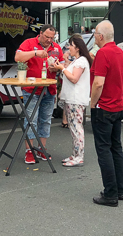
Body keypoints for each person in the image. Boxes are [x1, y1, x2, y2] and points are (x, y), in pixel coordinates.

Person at [89, 20, 123, 207]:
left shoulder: (103, 53)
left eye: (95, 33)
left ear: (101, 36)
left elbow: (98, 83)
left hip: (104, 107)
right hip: (119, 105)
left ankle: (110, 193)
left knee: (103, 150)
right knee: (115, 149)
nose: (94, 36)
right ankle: (120, 189)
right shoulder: (120, 52)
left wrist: (92, 103)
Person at [14, 24, 64, 164]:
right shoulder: (29, 43)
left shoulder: (56, 48)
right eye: (47, 37)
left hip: (50, 89)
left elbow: (63, 63)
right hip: (32, 89)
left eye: (52, 38)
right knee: (31, 119)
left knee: (46, 120)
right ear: (40, 34)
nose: (49, 40)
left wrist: (57, 68)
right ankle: (29, 150)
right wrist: (35, 53)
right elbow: (17, 57)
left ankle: (41, 148)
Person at [54, 34, 92, 167]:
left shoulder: (81, 61)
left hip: (76, 99)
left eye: (70, 45)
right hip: (72, 98)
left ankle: (79, 156)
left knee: (76, 127)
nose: (68, 47)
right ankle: (75, 154)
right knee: (74, 127)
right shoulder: (78, 60)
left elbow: (74, 78)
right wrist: (64, 65)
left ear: (76, 47)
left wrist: (62, 69)